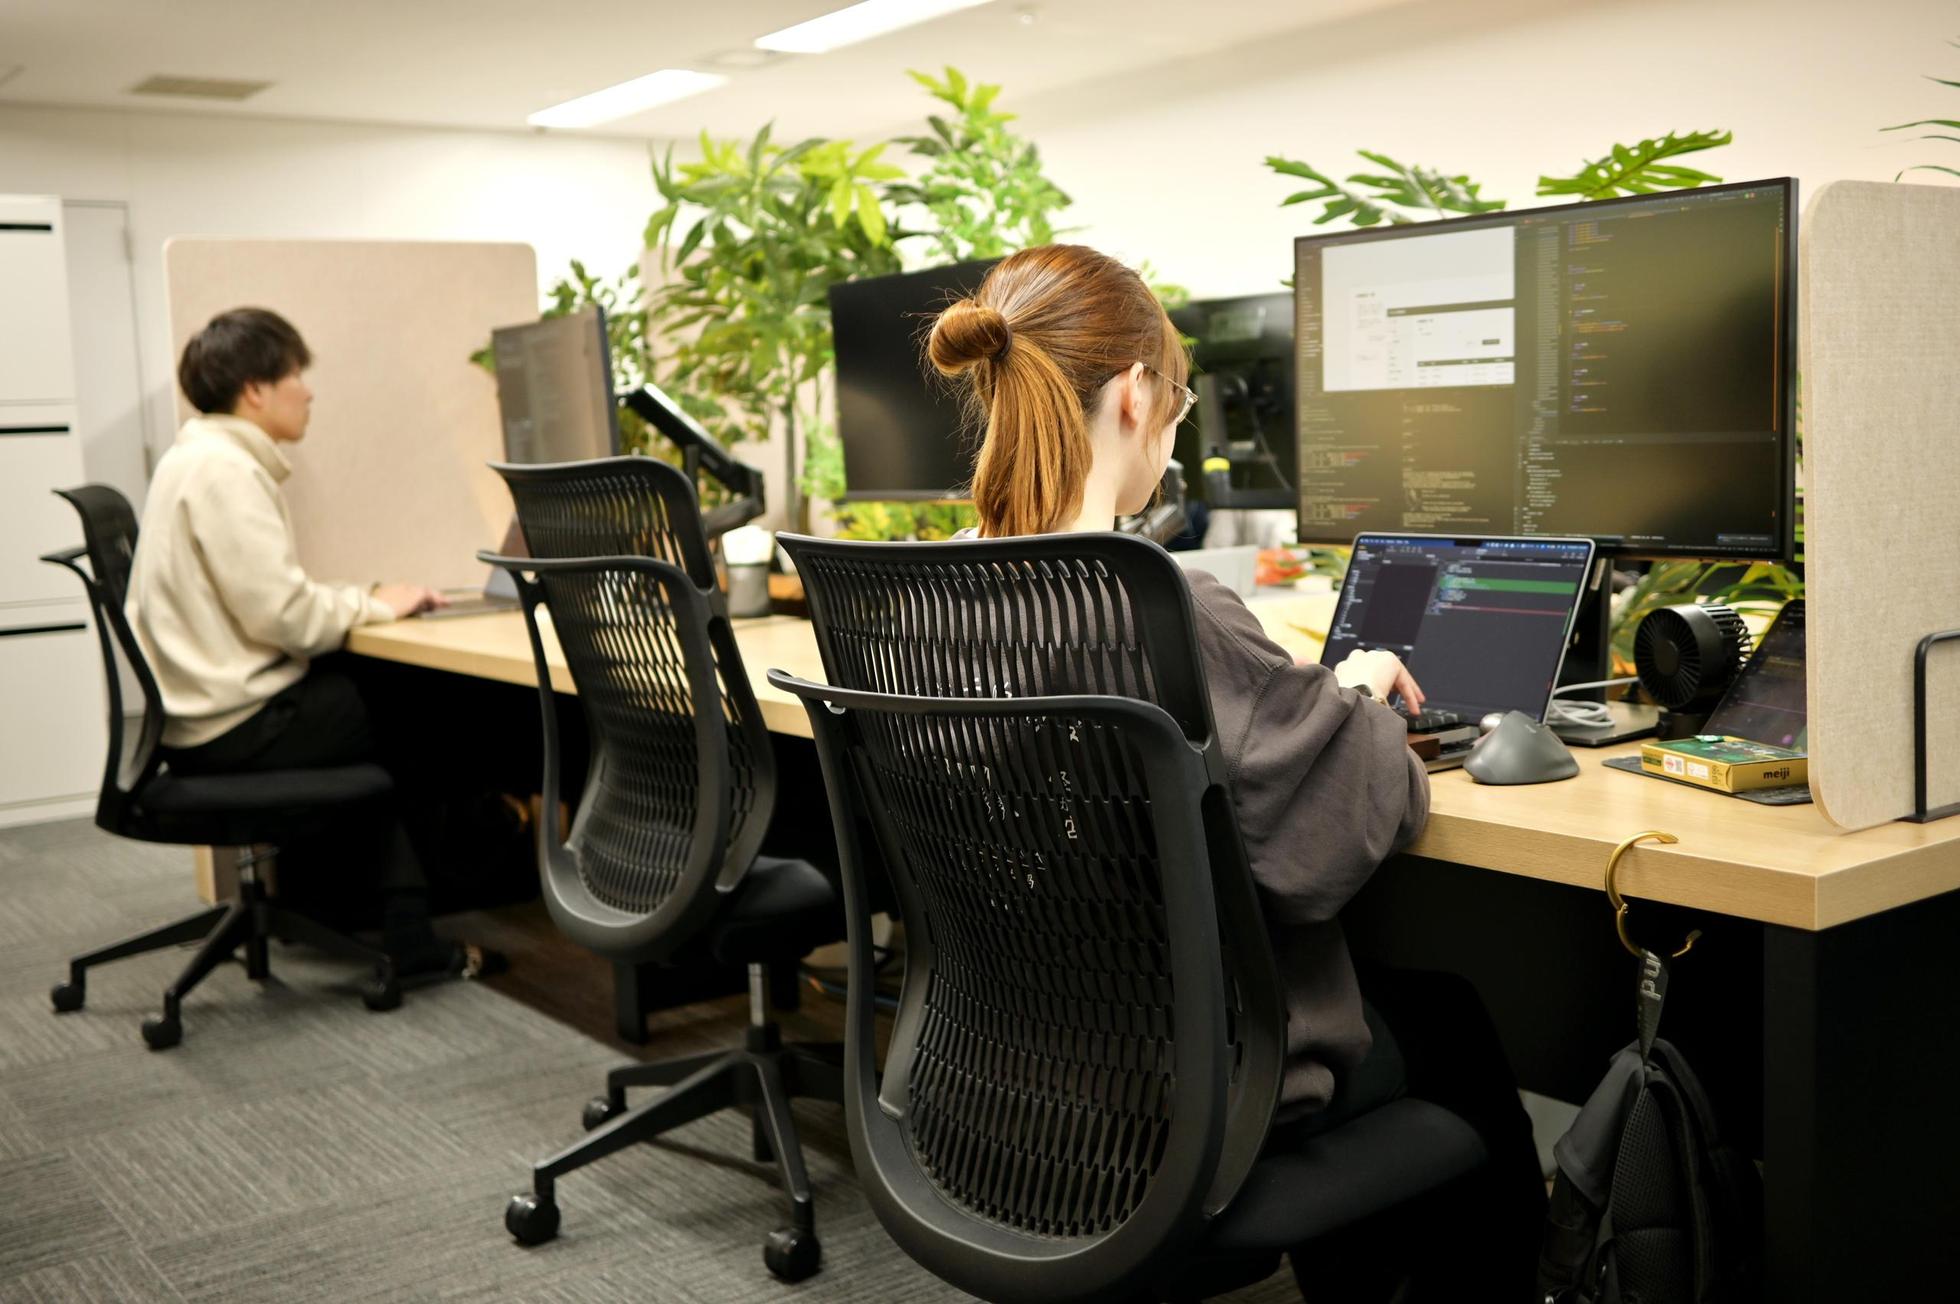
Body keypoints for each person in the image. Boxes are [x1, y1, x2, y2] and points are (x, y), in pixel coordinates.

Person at [926, 245, 1544, 1297]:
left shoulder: (926, 594)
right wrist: (1355, 694)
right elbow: (1330, 834)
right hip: (1186, 1086)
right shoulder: (1155, 603)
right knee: (1449, 1023)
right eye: (1176, 403)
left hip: (998, 1069)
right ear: (1135, 395)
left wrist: (1297, 700)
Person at [127, 306, 492, 977]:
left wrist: (362, 600)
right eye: (296, 374)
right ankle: (408, 936)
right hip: (233, 726)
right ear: (256, 389)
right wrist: (375, 604)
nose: (309, 390)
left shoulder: (196, 459)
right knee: (420, 709)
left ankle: (350, 909)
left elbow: (269, 598)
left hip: (203, 718)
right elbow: (286, 617)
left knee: (386, 697)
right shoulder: (226, 473)